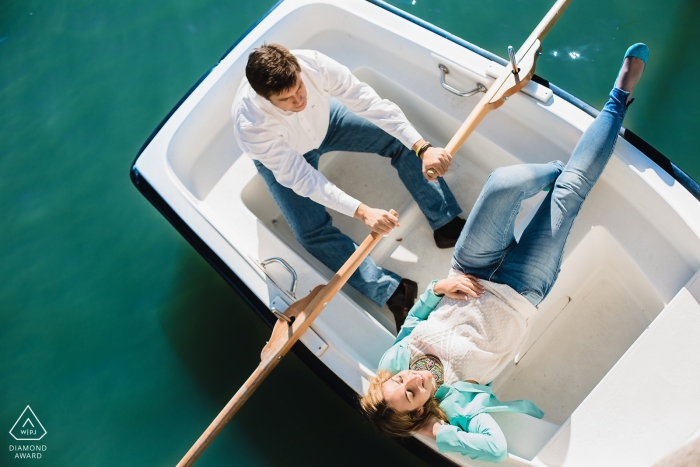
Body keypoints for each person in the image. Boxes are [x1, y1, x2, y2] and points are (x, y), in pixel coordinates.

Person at [360, 44, 649, 462]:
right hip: (519, 292)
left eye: (402, 379)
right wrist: (436, 431)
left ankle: (555, 171)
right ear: (420, 410)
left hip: (471, 268)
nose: (413, 379)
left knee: (501, 184)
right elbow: (494, 451)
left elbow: (416, 319)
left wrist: (439, 286)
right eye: (411, 393)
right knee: (570, 195)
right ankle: (618, 100)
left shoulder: (394, 360)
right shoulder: (460, 408)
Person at [233, 44, 465, 329]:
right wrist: (362, 211)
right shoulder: (251, 125)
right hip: (286, 156)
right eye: (287, 99)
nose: (299, 100)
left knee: (400, 140)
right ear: (264, 98)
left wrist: (422, 147)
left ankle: (445, 223)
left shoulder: (314, 63)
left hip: (327, 122)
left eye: (299, 88)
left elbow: (369, 102)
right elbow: (303, 179)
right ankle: (393, 290)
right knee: (310, 232)